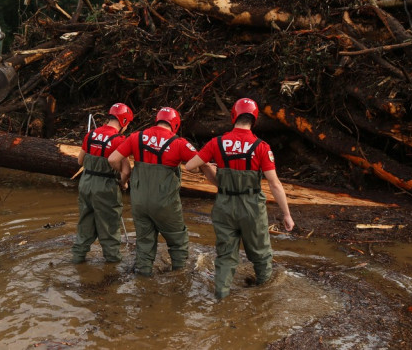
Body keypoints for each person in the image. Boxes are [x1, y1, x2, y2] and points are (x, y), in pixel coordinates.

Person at [185, 98, 294, 299]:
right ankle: (263, 299)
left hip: (224, 205)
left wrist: (210, 167)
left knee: (226, 256)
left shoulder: (216, 142)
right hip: (251, 207)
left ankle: (221, 298)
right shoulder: (261, 147)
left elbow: (190, 165)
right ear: (254, 120)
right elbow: (274, 184)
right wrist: (286, 214)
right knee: (261, 255)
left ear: (233, 116)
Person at [108, 107, 198, 276]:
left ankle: (143, 280)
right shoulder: (179, 142)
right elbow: (197, 166)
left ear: (157, 120)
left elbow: (113, 158)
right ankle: (179, 278)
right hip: (166, 203)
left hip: (139, 201)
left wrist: (123, 179)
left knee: (144, 243)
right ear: (175, 124)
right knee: (178, 241)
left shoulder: (137, 137)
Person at [72, 103, 134, 264]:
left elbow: (80, 161)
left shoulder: (91, 134)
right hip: (106, 186)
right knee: (109, 227)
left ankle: (77, 259)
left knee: (85, 224)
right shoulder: (120, 140)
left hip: (86, 184)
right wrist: (123, 183)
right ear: (124, 122)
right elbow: (126, 171)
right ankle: (112, 269)